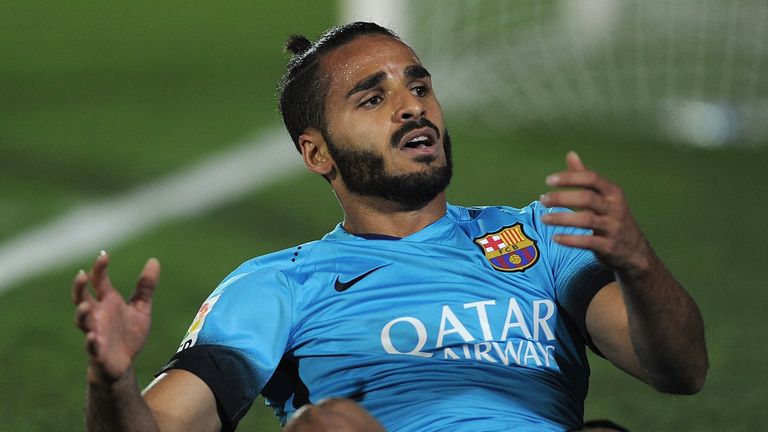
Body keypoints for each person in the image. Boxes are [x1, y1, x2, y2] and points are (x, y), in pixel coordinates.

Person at [72, 21, 708, 432]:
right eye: (372, 99)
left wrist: (638, 262)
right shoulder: (278, 285)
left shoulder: (542, 236)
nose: (412, 106)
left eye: (419, 86)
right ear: (317, 154)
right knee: (328, 428)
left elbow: (681, 371)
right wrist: (113, 381)